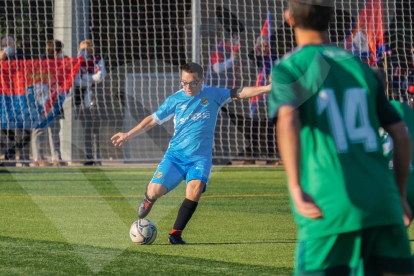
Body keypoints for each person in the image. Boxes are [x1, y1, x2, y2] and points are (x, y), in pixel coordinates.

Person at [268, 0, 414, 275]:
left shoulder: (290, 66)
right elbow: (401, 135)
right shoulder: (359, 68)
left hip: (330, 205)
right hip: (383, 203)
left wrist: (296, 187)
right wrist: (399, 194)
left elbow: (288, 119)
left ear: (289, 18)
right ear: (331, 18)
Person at [111, 62, 270, 244]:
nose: (187, 87)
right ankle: (149, 198)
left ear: (202, 80)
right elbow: (152, 121)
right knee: (155, 191)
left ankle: (175, 234)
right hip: (175, 157)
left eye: (192, 83)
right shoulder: (175, 100)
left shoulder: (213, 94)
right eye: (184, 82)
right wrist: (128, 134)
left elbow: (240, 92)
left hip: (200, 158)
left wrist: (267, 87)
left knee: (195, 190)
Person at [31, 39, 66, 166]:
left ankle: (56, 157)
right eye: (61, 50)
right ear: (57, 52)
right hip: (42, 100)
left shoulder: (61, 63)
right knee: (39, 129)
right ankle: (38, 158)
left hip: (55, 100)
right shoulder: (41, 63)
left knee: (54, 129)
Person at [73, 39, 106, 166]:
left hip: (95, 97)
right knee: (85, 129)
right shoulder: (76, 61)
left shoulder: (98, 60)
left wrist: (85, 78)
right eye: (82, 49)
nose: (84, 52)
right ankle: (88, 157)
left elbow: (101, 76)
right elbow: (75, 80)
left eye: (87, 49)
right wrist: (90, 79)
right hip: (81, 99)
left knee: (96, 129)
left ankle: (98, 157)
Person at [0, 36, 31, 167]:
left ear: (15, 46)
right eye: (4, 44)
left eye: (10, 44)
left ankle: (24, 160)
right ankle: (8, 160)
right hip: (4, 100)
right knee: (6, 131)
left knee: (24, 132)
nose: (7, 46)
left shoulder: (24, 56)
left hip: (21, 98)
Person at [247, 35, 277, 164]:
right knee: (253, 127)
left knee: (270, 127)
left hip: (269, 97)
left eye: (266, 45)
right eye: (262, 45)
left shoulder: (273, 58)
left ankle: (271, 156)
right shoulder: (252, 57)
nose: (264, 48)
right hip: (255, 96)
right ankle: (251, 157)